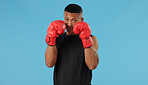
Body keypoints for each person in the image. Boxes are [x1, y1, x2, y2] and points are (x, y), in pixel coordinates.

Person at [45, 4, 99, 85]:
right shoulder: (57, 38)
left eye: (74, 20)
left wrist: (86, 39)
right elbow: (49, 64)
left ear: (81, 20)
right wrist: (51, 40)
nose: (69, 24)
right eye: (66, 19)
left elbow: (92, 65)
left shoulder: (92, 39)